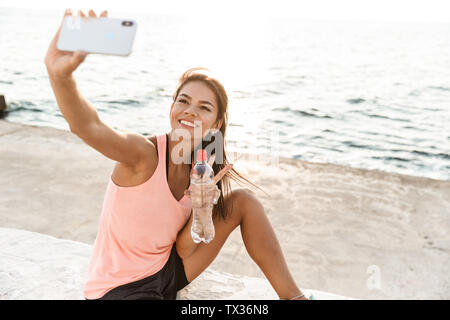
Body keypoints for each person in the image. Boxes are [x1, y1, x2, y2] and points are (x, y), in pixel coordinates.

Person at [44, 8, 308, 300]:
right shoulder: (143, 155)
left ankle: (294, 297)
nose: (190, 111)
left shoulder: (202, 164)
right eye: (183, 101)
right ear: (172, 107)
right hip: (118, 290)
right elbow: (88, 127)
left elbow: (185, 249)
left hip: (167, 273)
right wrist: (61, 77)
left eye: (204, 107)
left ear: (217, 123)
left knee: (243, 201)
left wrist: (201, 209)